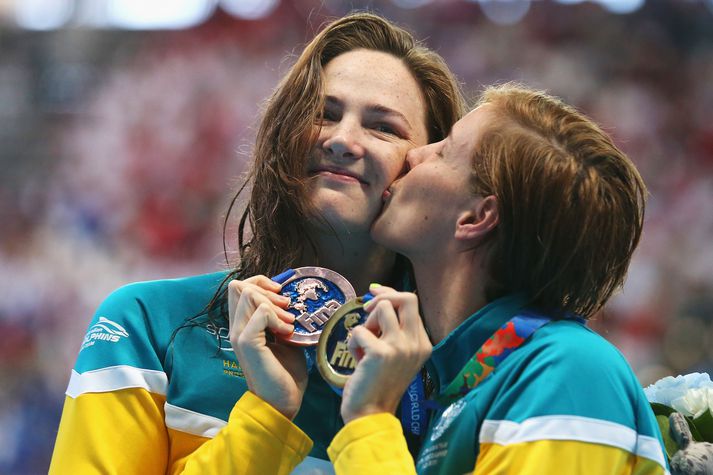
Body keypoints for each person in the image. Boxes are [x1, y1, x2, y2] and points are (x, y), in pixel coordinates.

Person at [48, 13, 465, 474]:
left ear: (429, 168)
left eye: (383, 127)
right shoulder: (149, 326)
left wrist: (374, 424)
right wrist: (265, 417)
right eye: (323, 114)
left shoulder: (461, 373)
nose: (343, 140)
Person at [232, 84, 669, 474]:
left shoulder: (569, 371)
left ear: (476, 218)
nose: (415, 155)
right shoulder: (460, 380)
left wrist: (368, 421)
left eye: (443, 151)